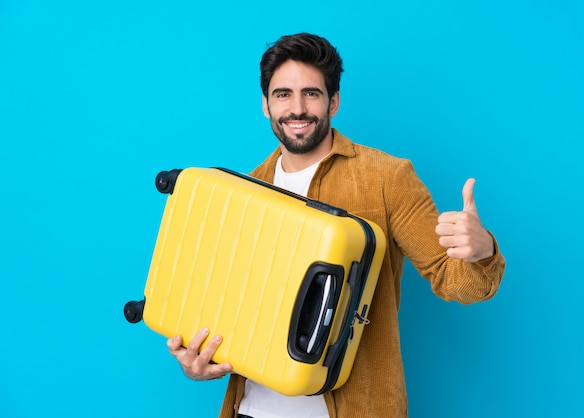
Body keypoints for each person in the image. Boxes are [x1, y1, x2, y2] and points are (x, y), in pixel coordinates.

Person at [166, 33, 506, 418]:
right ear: (265, 105)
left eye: (311, 93)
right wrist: (198, 359)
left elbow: (455, 281)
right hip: (252, 410)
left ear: (334, 101)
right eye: (282, 95)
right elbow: (229, 305)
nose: (297, 108)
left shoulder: (387, 178)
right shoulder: (244, 191)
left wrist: (483, 252)